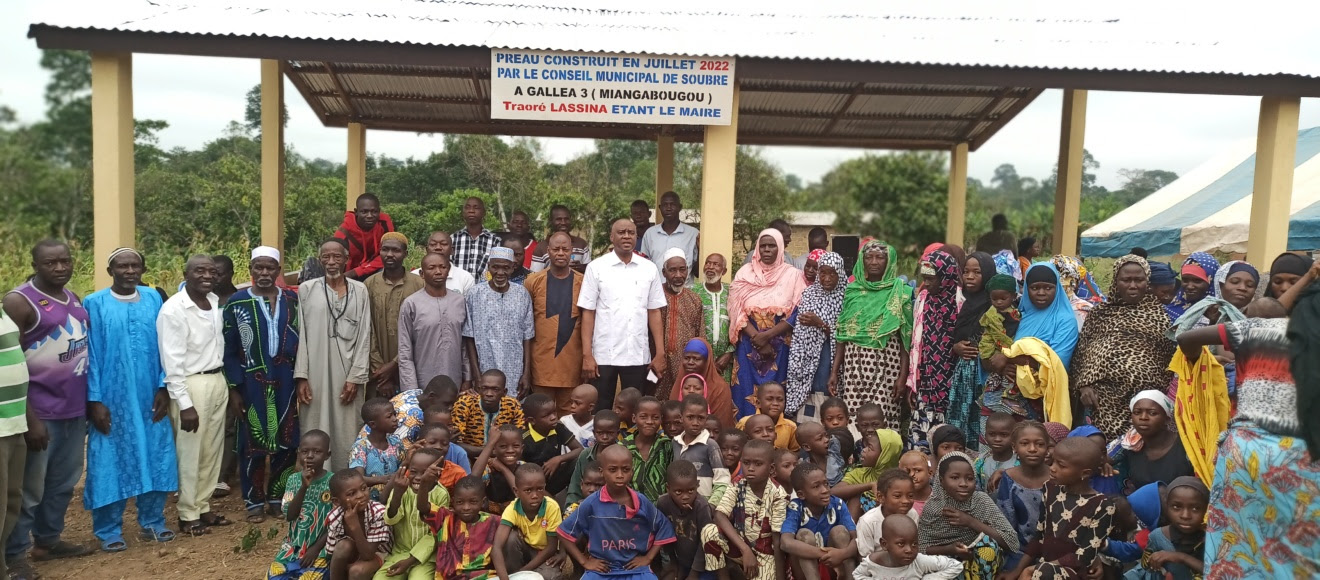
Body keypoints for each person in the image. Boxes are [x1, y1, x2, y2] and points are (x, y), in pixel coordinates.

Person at [1179, 280, 1320, 578]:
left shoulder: (1250, 328)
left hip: (1244, 450)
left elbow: (1186, 337)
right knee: (1301, 548)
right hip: (1302, 454)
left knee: (1238, 542)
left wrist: (1198, 361)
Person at [2, 241, 92, 569]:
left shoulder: (73, 297)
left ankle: (48, 541)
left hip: (73, 408)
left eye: (65, 261)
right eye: (51, 263)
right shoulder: (19, 302)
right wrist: (31, 418)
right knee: (28, 491)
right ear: (35, 264)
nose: (59, 268)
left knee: (62, 483)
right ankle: (14, 556)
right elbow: (8, 362)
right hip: (40, 413)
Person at [83, 247, 177, 552]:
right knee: (109, 457)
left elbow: (167, 346)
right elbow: (92, 355)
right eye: (122, 266)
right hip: (113, 398)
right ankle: (108, 529)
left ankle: (152, 520)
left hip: (151, 394)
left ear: (143, 269)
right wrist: (94, 400)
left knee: (156, 453)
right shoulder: (94, 303)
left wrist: (164, 387)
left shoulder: (154, 299)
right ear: (110, 270)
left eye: (135, 265)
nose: (129, 271)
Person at [223, 246, 302, 524]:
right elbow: (229, 348)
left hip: (286, 380)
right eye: (259, 267)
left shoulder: (292, 299)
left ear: (279, 271)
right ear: (251, 270)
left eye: (270, 268)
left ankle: (276, 498)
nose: (265, 273)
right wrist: (234, 388)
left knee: (288, 441)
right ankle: (253, 500)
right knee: (252, 442)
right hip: (251, 382)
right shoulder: (236, 302)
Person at [1072, 255, 1177, 438]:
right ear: (1116, 282)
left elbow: (1169, 364)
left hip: (1143, 408)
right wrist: (1083, 385)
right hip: (1102, 405)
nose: (1133, 286)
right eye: (1126, 280)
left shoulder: (1160, 317)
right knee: (1101, 455)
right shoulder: (1099, 314)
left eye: (1139, 280)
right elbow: (1081, 355)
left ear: (1148, 282)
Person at [296, 239, 372, 471]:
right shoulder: (306, 290)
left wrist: (355, 377)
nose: (331, 262)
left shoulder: (360, 290)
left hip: (348, 374)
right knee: (314, 422)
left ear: (346, 259)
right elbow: (302, 335)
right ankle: (313, 479)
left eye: (336, 257)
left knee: (347, 426)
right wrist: (301, 376)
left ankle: (346, 478)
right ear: (320, 260)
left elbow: (365, 335)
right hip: (315, 373)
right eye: (326, 257)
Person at [578, 217, 666, 411]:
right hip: (603, 354)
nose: (626, 236)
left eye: (631, 232)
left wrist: (660, 352)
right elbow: (588, 313)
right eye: (621, 232)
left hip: (636, 353)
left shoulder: (649, 269)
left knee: (634, 408)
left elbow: (654, 311)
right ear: (611, 236)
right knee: (601, 407)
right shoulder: (596, 268)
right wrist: (587, 355)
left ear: (636, 236)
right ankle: (601, 443)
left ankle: (631, 442)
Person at [1006, 438, 1116, 579]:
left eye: (1061, 465)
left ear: (1085, 473)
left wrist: (1035, 569)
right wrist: (1019, 570)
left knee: (1045, 571)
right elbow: (1039, 536)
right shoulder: (1050, 489)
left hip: (1073, 573)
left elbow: (1085, 555)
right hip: (1042, 569)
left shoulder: (1103, 506)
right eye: (1053, 461)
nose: (1052, 468)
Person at [831, 240, 912, 426]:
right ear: (862, 260)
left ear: (889, 260)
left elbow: (905, 341)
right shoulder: (852, 291)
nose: (874, 262)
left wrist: (902, 377)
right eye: (869, 257)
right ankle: (856, 455)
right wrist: (835, 371)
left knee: (883, 418)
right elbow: (842, 335)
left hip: (888, 366)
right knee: (853, 418)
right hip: (853, 368)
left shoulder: (901, 292)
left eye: (880, 257)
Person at [729, 228, 806, 417]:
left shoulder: (794, 275)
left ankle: (779, 437)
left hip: (781, 347)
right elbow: (735, 307)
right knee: (745, 392)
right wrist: (757, 338)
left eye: (772, 245)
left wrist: (768, 336)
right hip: (749, 345)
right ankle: (744, 435)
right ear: (757, 248)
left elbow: (798, 311)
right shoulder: (744, 273)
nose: (767, 250)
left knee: (777, 394)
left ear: (780, 247)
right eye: (763, 246)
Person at [918, 452, 1019, 579]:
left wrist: (970, 522)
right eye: (955, 478)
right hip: (943, 562)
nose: (963, 484)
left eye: (969, 478)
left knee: (988, 546)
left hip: (979, 564)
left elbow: (1012, 542)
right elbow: (921, 547)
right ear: (941, 481)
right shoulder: (933, 507)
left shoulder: (981, 501)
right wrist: (950, 549)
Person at [702, 439, 786, 580]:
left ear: (771, 469)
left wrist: (780, 575)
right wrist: (745, 550)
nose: (751, 468)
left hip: (765, 552)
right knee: (709, 531)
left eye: (758, 464)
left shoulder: (778, 494)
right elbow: (719, 515)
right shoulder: (739, 483)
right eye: (746, 463)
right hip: (741, 545)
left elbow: (777, 539)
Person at [908, 249, 962, 450]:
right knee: (920, 439)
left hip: (950, 382)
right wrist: (913, 383)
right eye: (924, 278)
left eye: (932, 279)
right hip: (927, 382)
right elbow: (916, 343)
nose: (927, 283)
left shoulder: (959, 300)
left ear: (946, 276)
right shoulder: (923, 299)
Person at [525, 231, 584, 413]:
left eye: (565, 249)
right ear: (548, 251)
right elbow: (526, 323)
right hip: (541, 362)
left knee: (569, 415)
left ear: (571, 251)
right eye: (556, 249)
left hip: (572, 363)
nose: (560, 253)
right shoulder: (533, 281)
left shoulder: (583, 283)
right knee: (542, 412)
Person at [464, 246, 534, 397]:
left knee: (511, 412)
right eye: (495, 267)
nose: (500, 273)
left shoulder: (522, 294)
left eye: (506, 268)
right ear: (488, 267)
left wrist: (526, 373)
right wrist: (476, 376)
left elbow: (527, 336)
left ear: (513, 268)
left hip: (514, 369)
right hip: (485, 369)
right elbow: (469, 337)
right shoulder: (475, 294)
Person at [785, 251, 845, 420]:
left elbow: (844, 334)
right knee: (809, 395)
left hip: (831, 356)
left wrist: (820, 323)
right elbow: (800, 331)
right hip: (806, 356)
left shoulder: (846, 296)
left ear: (839, 273)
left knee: (825, 390)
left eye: (832, 273)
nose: (826, 278)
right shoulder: (809, 293)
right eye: (823, 272)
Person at [365, 232, 423, 399]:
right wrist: (381, 371)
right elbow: (366, 329)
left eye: (396, 250)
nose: (390, 254)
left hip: (412, 364)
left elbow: (420, 330)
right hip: (377, 372)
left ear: (405, 254)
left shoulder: (419, 284)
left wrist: (395, 364)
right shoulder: (369, 284)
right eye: (385, 249)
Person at [269, 430, 334, 579]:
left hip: (320, 549)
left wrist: (316, 549)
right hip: (292, 548)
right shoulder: (293, 480)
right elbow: (290, 515)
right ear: (298, 453)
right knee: (273, 576)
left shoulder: (333, 482)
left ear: (327, 455)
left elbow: (335, 522)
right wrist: (304, 487)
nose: (310, 456)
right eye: (305, 451)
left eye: (317, 451)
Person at [397, 252, 465, 394]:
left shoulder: (460, 301)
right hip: (423, 383)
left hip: (456, 381)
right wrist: (411, 389)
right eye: (432, 268)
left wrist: (468, 378)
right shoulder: (411, 303)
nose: (438, 271)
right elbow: (405, 350)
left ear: (448, 270)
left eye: (443, 267)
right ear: (422, 274)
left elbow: (465, 344)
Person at [378, 447, 450, 580]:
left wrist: (410, 560)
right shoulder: (401, 487)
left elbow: (436, 533)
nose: (418, 478)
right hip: (400, 552)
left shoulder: (441, 494)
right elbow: (390, 520)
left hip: (426, 558)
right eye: (413, 472)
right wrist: (398, 494)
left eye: (424, 473)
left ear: (438, 475)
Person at [948, 252, 994, 450]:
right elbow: (952, 335)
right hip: (963, 371)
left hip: (985, 372)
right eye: (966, 271)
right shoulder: (960, 301)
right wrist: (956, 346)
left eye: (977, 272)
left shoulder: (996, 302)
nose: (970, 277)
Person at [781, 463, 858, 580]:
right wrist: (824, 554)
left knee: (840, 532)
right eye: (816, 487)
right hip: (805, 569)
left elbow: (857, 539)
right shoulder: (796, 507)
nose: (825, 490)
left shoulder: (837, 504)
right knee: (804, 534)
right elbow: (786, 543)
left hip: (835, 563)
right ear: (801, 494)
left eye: (826, 484)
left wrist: (842, 554)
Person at [990, 421, 1051, 569]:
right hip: (1018, 551)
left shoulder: (1057, 478)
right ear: (1014, 447)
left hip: (1053, 551)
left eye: (1039, 444)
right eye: (1024, 443)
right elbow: (1007, 524)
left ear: (1047, 448)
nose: (1032, 449)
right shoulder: (1009, 479)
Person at [1124, 476, 1207, 580]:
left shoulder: (1214, 539)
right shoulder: (1158, 537)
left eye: (1195, 508)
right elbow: (1146, 567)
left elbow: (1222, 573)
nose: (1185, 515)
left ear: (1206, 509)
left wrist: (1181, 557)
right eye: (1176, 507)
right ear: (1167, 507)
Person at [417, 474, 500, 579]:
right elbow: (423, 507)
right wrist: (424, 483)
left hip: (483, 577)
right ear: (453, 502)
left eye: (473, 502)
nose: (466, 507)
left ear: (482, 502)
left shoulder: (494, 522)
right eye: (460, 502)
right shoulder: (444, 518)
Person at [1112, 391, 1194, 494]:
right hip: (1140, 508)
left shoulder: (1187, 445)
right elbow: (1098, 459)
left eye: (1152, 413)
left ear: (1167, 419)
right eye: (1137, 412)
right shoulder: (1129, 442)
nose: (1143, 417)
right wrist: (1104, 465)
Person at [493, 464, 565, 580]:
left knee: (549, 576)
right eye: (528, 490)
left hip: (545, 553)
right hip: (525, 549)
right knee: (510, 539)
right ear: (516, 492)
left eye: (540, 489)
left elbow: (551, 547)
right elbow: (497, 547)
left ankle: (519, 574)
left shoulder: (551, 507)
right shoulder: (512, 509)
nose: (535, 495)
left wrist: (523, 571)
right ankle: (514, 574)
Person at [325, 469, 392, 580]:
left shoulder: (378, 513)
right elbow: (332, 554)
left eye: (363, 488)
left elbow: (368, 555)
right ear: (337, 502)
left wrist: (354, 525)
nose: (361, 495)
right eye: (352, 493)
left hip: (379, 554)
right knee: (343, 547)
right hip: (354, 553)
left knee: (357, 572)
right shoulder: (334, 517)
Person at [656, 460, 717, 580]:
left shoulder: (701, 506)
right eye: (678, 492)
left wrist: (694, 573)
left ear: (697, 485)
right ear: (668, 488)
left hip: (705, 564)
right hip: (681, 562)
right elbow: (665, 534)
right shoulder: (663, 503)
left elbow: (705, 542)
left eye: (691, 491)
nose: (685, 497)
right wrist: (673, 562)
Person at [656, 249, 704, 398]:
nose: (678, 275)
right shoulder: (654, 296)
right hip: (655, 363)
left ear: (687, 271)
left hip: (685, 365)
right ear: (664, 273)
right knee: (652, 395)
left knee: (682, 400)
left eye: (682, 270)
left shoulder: (694, 300)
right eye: (672, 270)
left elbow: (700, 336)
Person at [855, 514, 963, 579]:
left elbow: (955, 565)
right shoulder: (873, 562)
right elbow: (858, 574)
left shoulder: (919, 561)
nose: (909, 550)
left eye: (914, 544)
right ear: (884, 544)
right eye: (901, 544)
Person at [520, 393, 584, 495]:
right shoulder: (524, 437)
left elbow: (579, 449)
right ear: (532, 420)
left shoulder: (558, 427)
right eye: (547, 415)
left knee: (580, 460)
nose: (553, 417)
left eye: (554, 412)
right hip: (531, 483)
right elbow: (519, 468)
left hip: (554, 477)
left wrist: (559, 459)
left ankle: (574, 495)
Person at [672, 395, 730, 502]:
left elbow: (723, 480)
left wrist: (711, 505)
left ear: (706, 419)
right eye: (690, 417)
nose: (695, 423)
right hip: (678, 506)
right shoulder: (675, 443)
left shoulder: (710, 445)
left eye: (700, 418)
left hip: (704, 505)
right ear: (681, 418)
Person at [450, 370, 525, 453]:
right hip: (469, 456)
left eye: (495, 389)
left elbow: (519, 438)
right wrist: (490, 451)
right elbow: (455, 443)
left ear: (504, 392)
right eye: (485, 388)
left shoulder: (513, 405)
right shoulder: (465, 404)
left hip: (502, 456)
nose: (489, 393)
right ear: (479, 390)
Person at [666, 338, 736, 427]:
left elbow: (721, 425)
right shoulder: (680, 383)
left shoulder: (719, 388)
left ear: (706, 361)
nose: (690, 362)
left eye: (696, 359)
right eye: (687, 358)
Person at [853, 468, 919, 557]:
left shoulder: (912, 514)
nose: (905, 501)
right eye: (897, 496)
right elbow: (865, 558)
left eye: (910, 496)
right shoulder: (868, 521)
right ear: (881, 497)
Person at [564, 410, 621, 506]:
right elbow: (575, 488)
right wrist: (571, 509)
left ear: (617, 433)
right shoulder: (585, 455)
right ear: (594, 433)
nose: (605, 437)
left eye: (610, 433)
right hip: (585, 505)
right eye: (600, 433)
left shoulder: (623, 456)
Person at [334, 193, 396, 281]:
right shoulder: (344, 231)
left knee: (391, 267)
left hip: (373, 268)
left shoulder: (384, 222)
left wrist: (357, 271)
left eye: (374, 211)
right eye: (364, 212)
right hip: (349, 275)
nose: (370, 216)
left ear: (379, 211)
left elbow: (390, 252)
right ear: (356, 212)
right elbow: (336, 260)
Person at [623, 396, 672, 503]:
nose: (649, 422)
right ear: (634, 418)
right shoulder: (623, 447)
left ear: (661, 419)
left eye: (655, 417)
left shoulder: (666, 445)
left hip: (660, 510)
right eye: (643, 417)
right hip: (630, 508)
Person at [638, 191, 699, 274]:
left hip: (684, 286)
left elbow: (697, 272)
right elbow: (644, 265)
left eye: (672, 204)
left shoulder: (693, 234)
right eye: (665, 205)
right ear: (660, 208)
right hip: (657, 286)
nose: (668, 208)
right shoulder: (650, 234)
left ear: (680, 207)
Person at [696, 253, 734, 377]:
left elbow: (739, 324)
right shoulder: (692, 292)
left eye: (716, 264)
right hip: (697, 359)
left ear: (724, 271)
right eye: (707, 263)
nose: (710, 267)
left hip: (726, 362)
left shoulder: (733, 292)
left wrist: (729, 353)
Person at [530, 205, 592, 273]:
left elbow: (590, 273)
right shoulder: (541, 247)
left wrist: (581, 268)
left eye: (566, 219)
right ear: (551, 221)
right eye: (558, 219)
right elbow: (534, 276)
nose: (563, 222)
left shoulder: (581, 244)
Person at [451, 196, 502, 277]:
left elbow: (497, 269)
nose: (471, 211)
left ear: (484, 213)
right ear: (463, 212)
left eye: (476, 208)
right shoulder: (453, 239)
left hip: (483, 289)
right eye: (467, 208)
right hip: (457, 288)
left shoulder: (494, 241)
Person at [413, 231, 476, 295]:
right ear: (427, 250)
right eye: (433, 244)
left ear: (452, 250)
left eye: (443, 244)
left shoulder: (465, 278)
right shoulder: (414, 276)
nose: (438, 248)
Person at [1166, 252, 1219, 320]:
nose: (1189, 287)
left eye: (1197, 281)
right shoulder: (1171, 309)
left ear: (1211, 280)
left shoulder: (1219, 312)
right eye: (1185, 280)